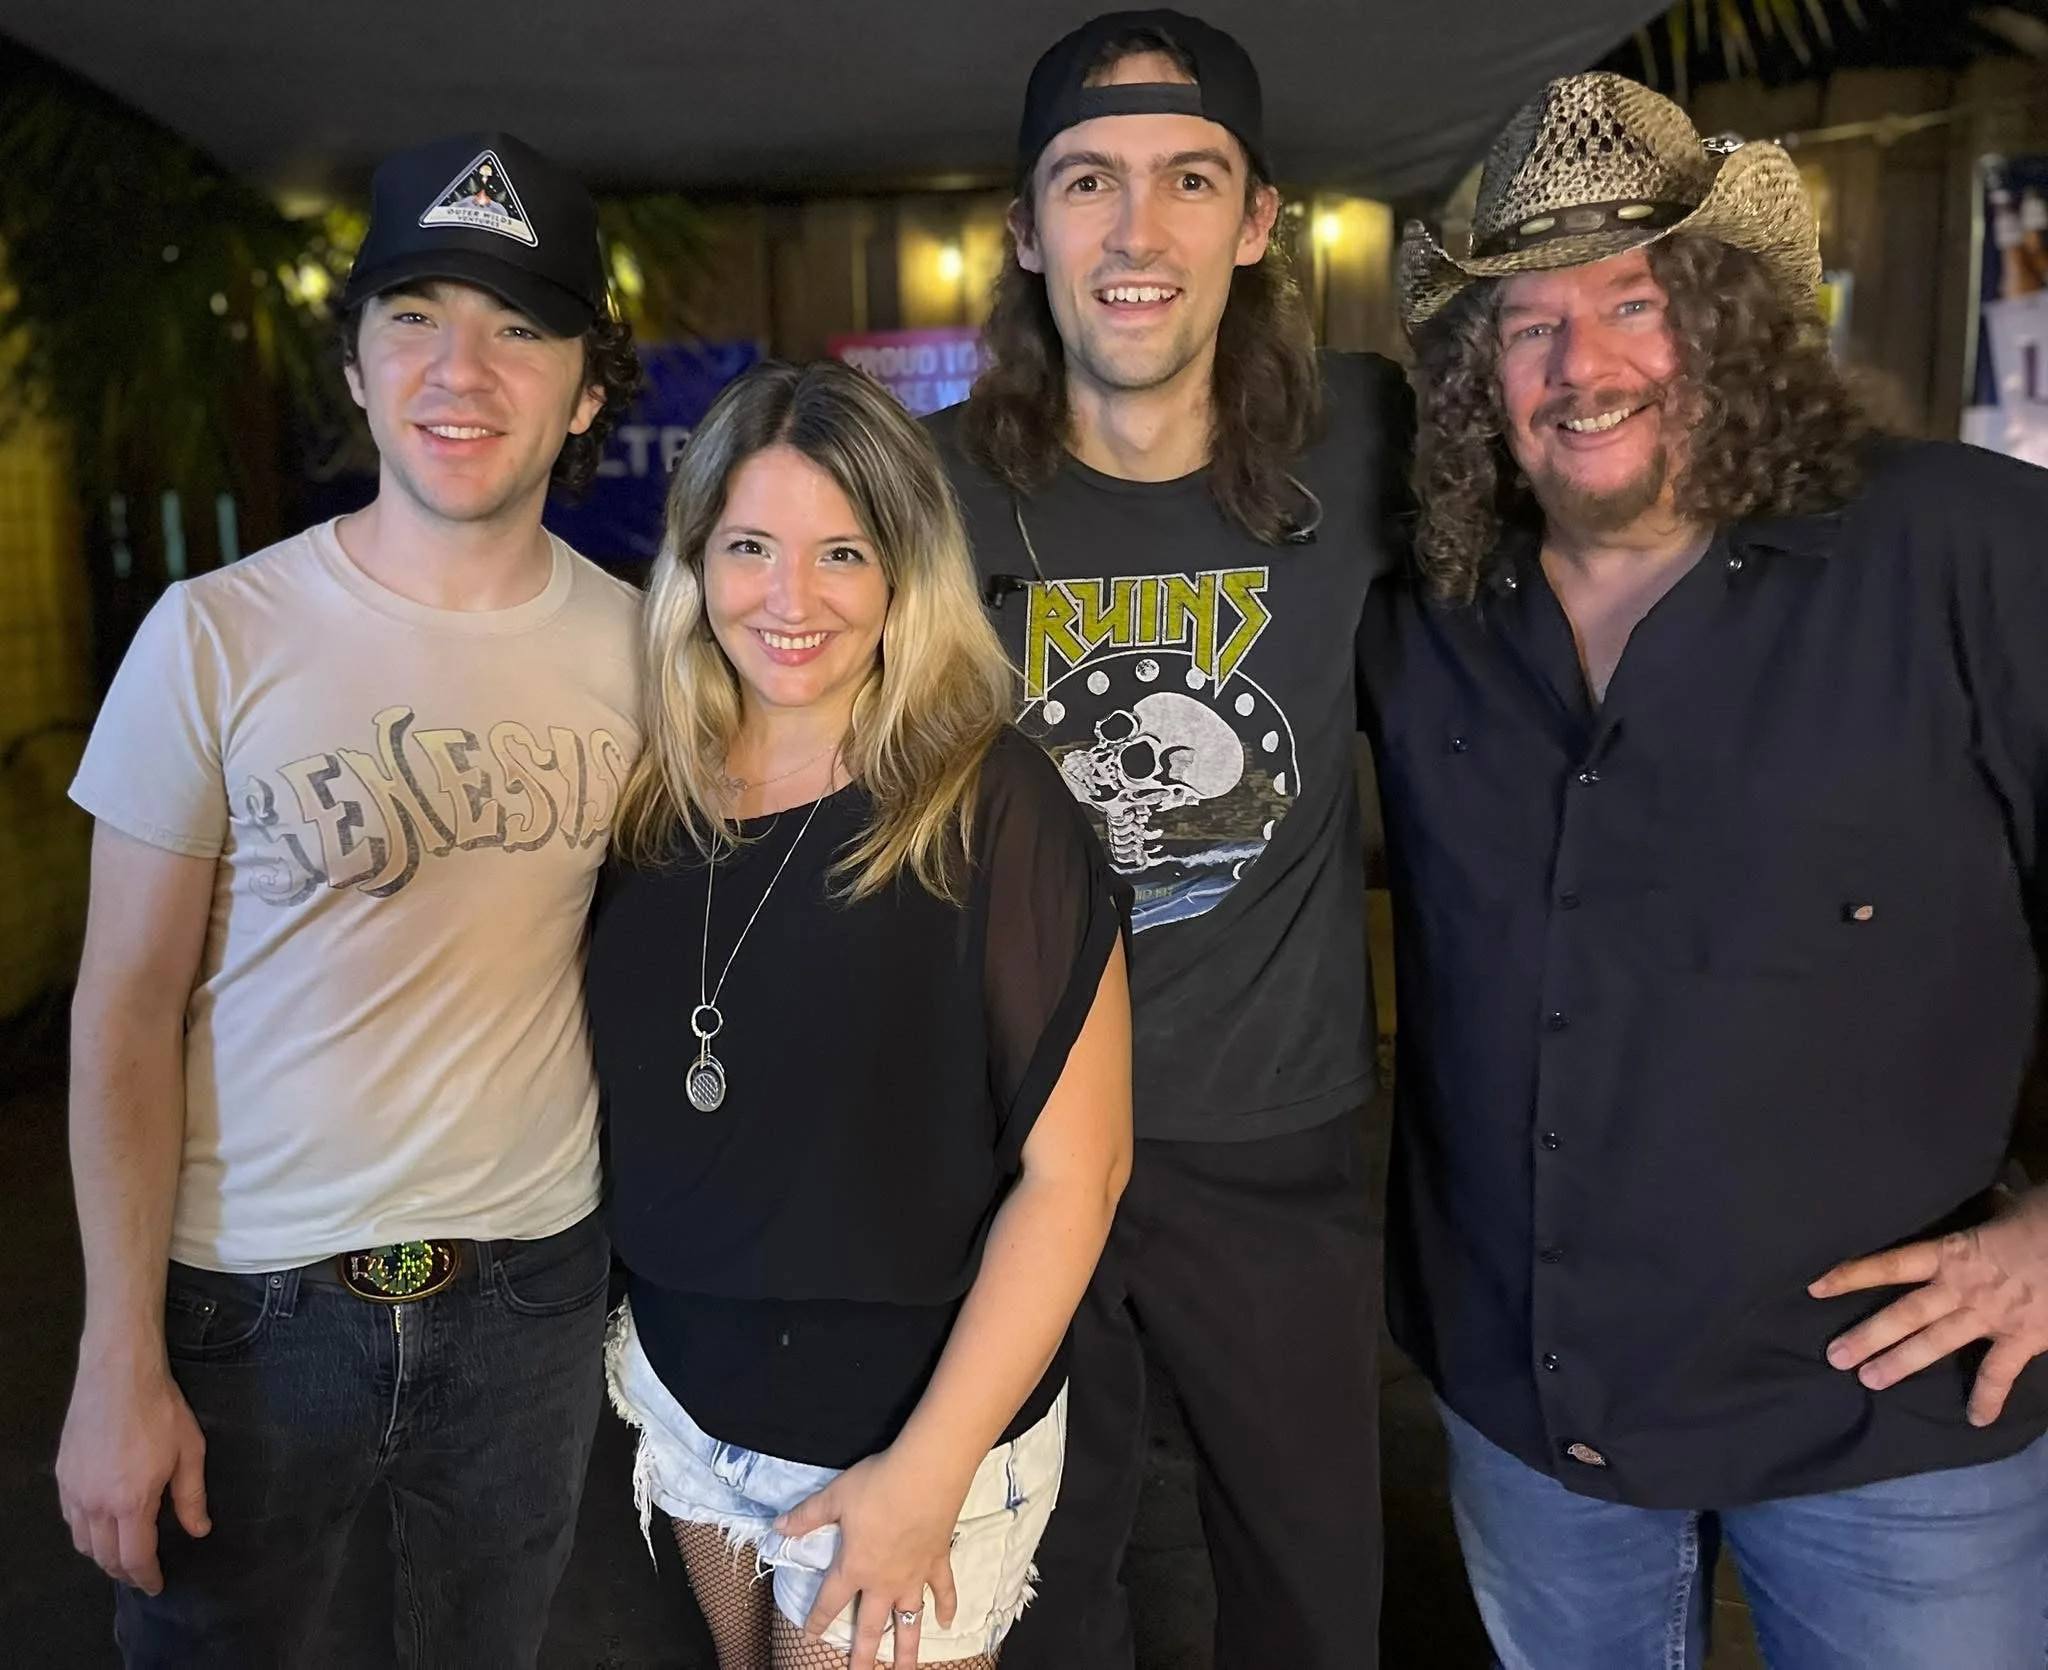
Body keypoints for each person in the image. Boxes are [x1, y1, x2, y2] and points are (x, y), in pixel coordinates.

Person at [1361, 71, 2048, 1669]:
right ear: (1479, 376)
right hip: (1532, 1417)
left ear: (1730, 320)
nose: (1581, 363)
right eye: (1527, 323)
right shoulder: (1429, 624)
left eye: (1635, 301)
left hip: (1892, 1425)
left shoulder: (1964, 548)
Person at [55, 131, 642, 1666]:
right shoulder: (212, 636)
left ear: (586, 392)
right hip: (250, 1305)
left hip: (530, 1293)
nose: (464, 366)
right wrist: (115, 1352)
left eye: (522, 326)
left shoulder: (653, 652)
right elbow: (120, 1007)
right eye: (418, 315)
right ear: (360, 365)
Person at [927, 12, 1412, 1668]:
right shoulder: (923, 499)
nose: (1137, 233)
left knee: (1309, 1598)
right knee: (1038, 1610)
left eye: (1188, 179)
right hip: (1007, 1150)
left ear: (1260, 220)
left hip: (1273, 1147)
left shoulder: (1371, 444)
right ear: (1023, 226)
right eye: (1089, 183)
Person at [589, 358, 1134, 1670]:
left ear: (905, 571)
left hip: (907, 1432)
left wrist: (927, 1473)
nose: (790, 600)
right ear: (695, 560)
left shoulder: (993, 804)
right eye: (750, 547)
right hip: (686, 1402)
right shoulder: (648, 790)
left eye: (842, 551)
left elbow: (1079, 1173)